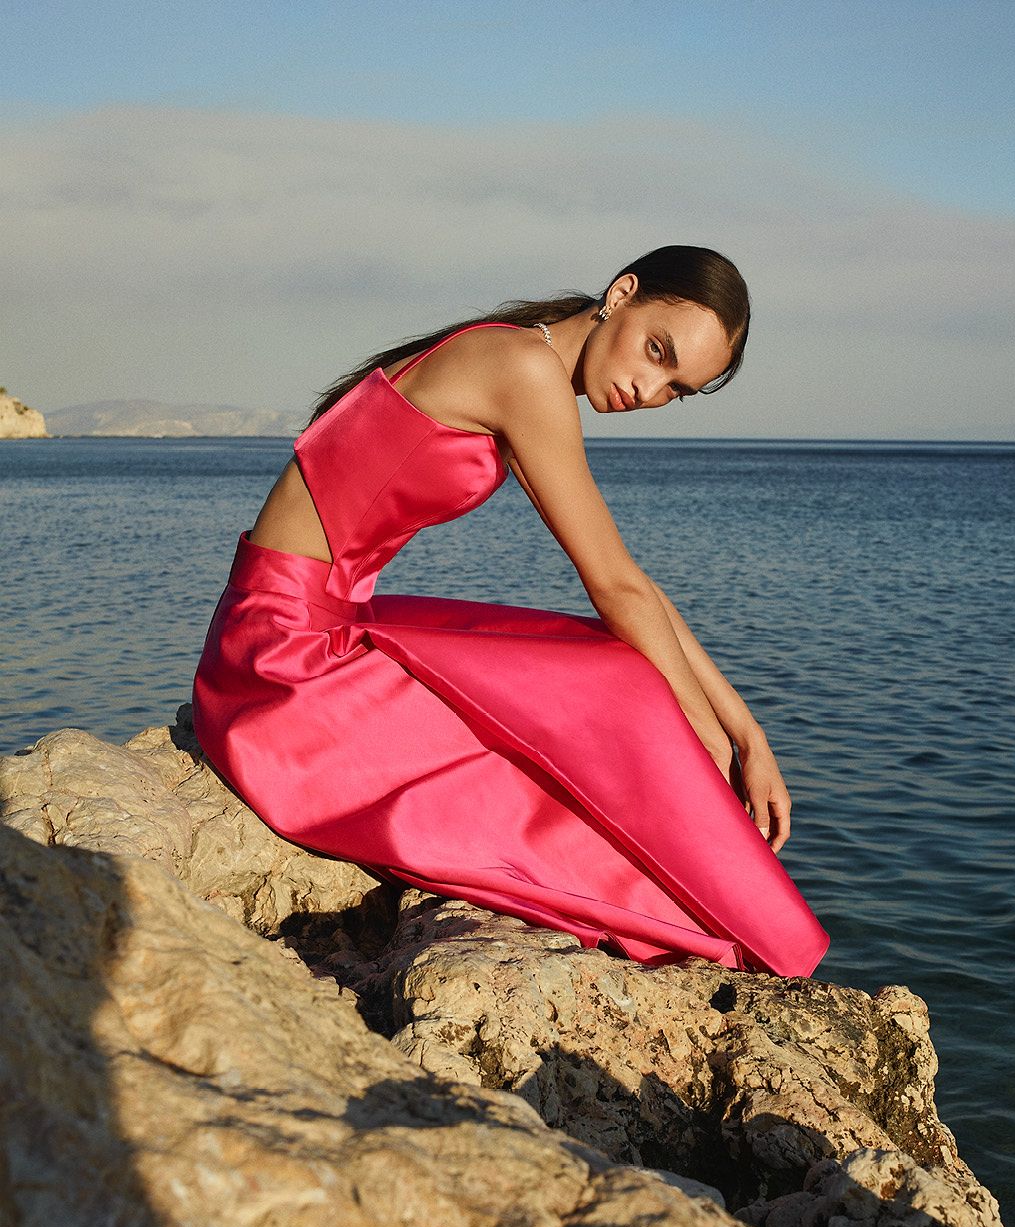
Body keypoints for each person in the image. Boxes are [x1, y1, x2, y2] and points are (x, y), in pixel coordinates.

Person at [193, 245, 828, 975]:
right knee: (612, 692)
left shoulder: (521, 359)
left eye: (676, 389)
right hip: (279, 660)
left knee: (600, 662)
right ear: (621, 294)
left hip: (299, 621)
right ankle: (725, 908)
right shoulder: (523, 370)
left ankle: (708, 891)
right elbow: (615, 585)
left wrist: (745, 732)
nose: (648, 390)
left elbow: (634, 589)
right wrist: (705, 744)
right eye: (657, 352)